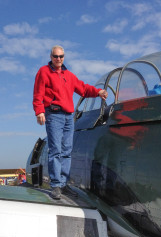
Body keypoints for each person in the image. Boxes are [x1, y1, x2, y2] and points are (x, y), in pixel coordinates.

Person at [33, 45, 108, 200]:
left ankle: (64, 183)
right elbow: (38, 93)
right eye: (55, 56)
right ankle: (55, 185)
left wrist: (98, 92)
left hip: (68, 116)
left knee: (67, 151)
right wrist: (39, 111)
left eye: (61, 57)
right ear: (51, 56)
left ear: (64, 57)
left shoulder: (69, 75)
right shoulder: (44, 72)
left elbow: (83, 88)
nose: (58, 59)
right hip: (54, 115)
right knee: (56, 150)